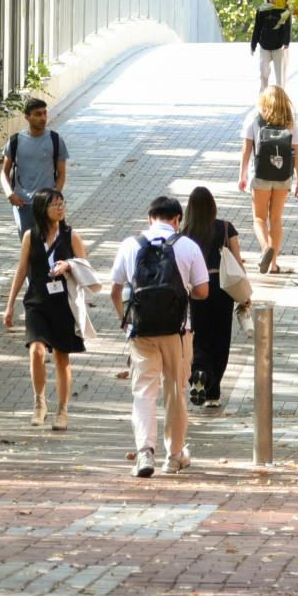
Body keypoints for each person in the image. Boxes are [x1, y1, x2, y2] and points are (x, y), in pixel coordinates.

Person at [110, 195, 210, 477]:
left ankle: (144, 453)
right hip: (178, 331)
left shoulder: (130, 245)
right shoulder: (187, 245)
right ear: (177, 220)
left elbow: (115, 289)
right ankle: (175, 455)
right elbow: (203, 292)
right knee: (175, 391)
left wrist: (125, 321)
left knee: (143, 391)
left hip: (141, 330)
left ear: (149, 218)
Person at [2, 187, 87, 430]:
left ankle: (62, 409)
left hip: (63, 305)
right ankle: (40, 402)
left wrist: (69, 265)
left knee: (61, 356)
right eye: (54, 204)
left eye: (62, 203)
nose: (60, 207)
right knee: (36, 350)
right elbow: (21, 271)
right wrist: (9, 306)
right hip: (37, 301)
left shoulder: (71, 236)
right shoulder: (31, 236)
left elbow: (85, 267)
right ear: (42, 208)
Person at [181, 186, 245, 410]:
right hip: (222, 288)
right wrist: (245, 293)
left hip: (195, 289)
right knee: (220, 338)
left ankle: (199, 371)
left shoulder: (185, 233)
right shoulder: (226, 228)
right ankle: (214, 391)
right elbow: (237, 261)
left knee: (197, 336)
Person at [238, 84, 298, 275]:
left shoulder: (254, 119)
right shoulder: (290, 121)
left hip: (261, 175)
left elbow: (246, 150)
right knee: (276, 219)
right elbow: (296, 153)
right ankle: (273, 264)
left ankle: (266, 248)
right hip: (283, 176)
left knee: (259, 218)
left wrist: (242, 175)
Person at [0, 98, 69, 235]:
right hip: (23, 204)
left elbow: (61, 174)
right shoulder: (16, 141)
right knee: (28, 247)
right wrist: (10, 194)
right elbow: (4, 173)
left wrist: (55, 196)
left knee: (51, 245)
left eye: (44, 113)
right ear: (27, 117)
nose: (43, 118)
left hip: (48, 203)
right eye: (38, 114)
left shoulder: (55, 139)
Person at [250, 0, 292, 89]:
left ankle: (280, 100)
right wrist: (253, 45)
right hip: (265, 46)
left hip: (279, 47)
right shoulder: (262, 9)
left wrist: (286, 43)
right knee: (264, 73)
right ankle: (263, 98)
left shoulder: (284, 8)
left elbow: (288, 27)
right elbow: (257, 28)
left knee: (280, 77)